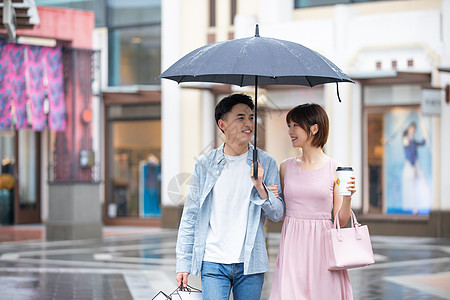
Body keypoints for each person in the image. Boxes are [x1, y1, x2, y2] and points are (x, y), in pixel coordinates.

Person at [175, 93, 285, 300]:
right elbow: (190, 216)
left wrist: (261, 187)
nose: (248, 123)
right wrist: (183, 263)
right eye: (241, 117)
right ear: (222, 124)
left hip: (250, 263)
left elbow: (278, 214)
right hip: (213, 262)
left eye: (251, 117)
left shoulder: (266, 162)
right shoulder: (205, 164)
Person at [269, 103, 356, 300]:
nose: (290, 131)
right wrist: (271, 196)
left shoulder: (335, 167)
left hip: (323, 246)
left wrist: (348, 197)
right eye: (288, 125)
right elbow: (281, 213)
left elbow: (340, 221)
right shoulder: (285, 167)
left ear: (314, 128)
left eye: (295, 126)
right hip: (292, 244)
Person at [401, 120, 431, 214]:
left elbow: (420, 143)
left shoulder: (412, 140)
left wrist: (425, 138)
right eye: (412, 128)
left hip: (414, 164)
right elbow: (408, 152)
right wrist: (412, 164)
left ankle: (426, 202)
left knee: (421, 182)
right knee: (412, 186)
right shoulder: (406, 139)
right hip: (411, 164)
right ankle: (414, 208)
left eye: (414, 129)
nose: (413, 130)